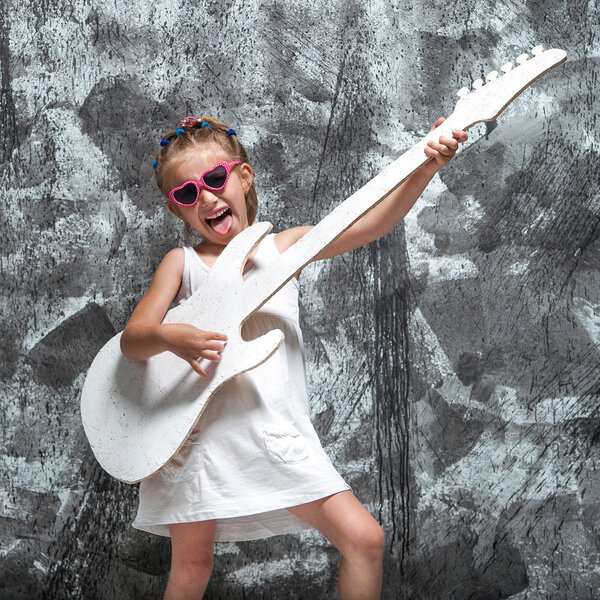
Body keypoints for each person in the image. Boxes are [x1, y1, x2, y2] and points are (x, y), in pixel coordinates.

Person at [120, 115, 467, 599]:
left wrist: (428, 167)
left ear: (243, 176)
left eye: (216, 179)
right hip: (199, 442)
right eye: (187, 193)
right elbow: (133, 339)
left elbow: (372, 223)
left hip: (274, 432)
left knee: (365, 540)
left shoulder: (282, 249)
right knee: (192, 568)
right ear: (177, 209)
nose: (207, 197)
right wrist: (171, 337)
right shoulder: (183, 264)